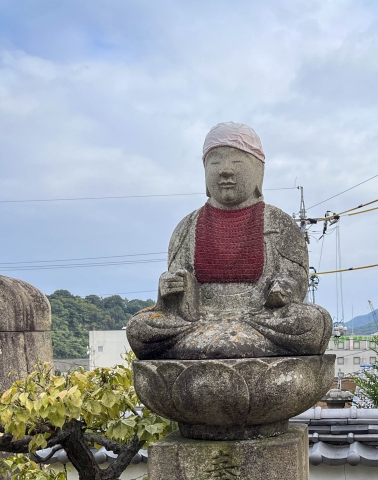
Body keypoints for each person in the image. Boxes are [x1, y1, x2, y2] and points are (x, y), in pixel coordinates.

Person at [127, 122, 332, 360]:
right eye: (215, 163)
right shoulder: (186, 228)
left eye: (237, 162)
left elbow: (297, 280)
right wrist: (168, 290)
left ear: (259, 172)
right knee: (140, 328)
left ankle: (209, 347)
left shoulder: (279, 223)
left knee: (313, 323)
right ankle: (231, 345)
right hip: (199, 321)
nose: (225, 171)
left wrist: (284, 288)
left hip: (259, 319)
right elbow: (175, 298)